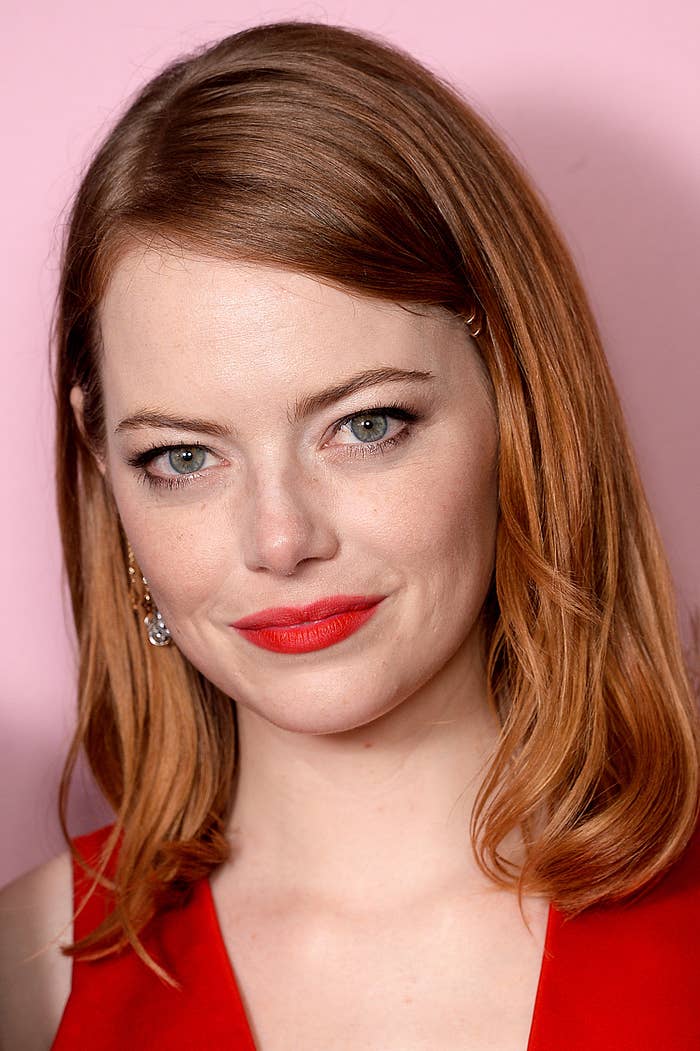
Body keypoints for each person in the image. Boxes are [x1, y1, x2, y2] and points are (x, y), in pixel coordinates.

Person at [1, 18, 699, 1051]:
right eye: (183, 458)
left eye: (366, 425)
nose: (280, 540)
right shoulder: (21, 976)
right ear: (102, 464)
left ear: (520, 403)